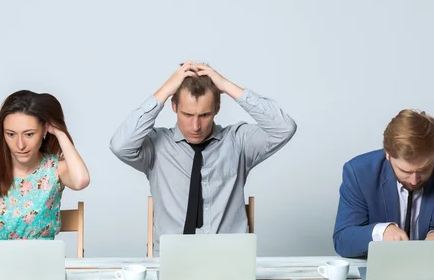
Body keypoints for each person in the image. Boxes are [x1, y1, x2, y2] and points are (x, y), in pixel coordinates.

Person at [110, 61, 296, 255]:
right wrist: (164, 92)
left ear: (217, 107)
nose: (196, 126)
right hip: (174, 259)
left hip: (229, 258)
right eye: (187, 114)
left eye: (205, 115)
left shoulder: (238, 142)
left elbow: (284, 128)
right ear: (173, 106)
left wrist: (226, 85)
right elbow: (120, 145)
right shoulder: (157, 146)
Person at [0, 90, 90, 261]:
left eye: (29, 134)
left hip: (43, 268)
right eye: (11, 134)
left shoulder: (56, 169)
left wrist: (60, 132)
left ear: (45, 129)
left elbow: (81, 180)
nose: (20, 145)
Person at [333, 109, 434, 258]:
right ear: (388, 155)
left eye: (423, 169)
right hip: (382, 269)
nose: (414, 180)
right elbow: (343, 240)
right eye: (405, 171)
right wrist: (381, 232)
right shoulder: (359, 173)